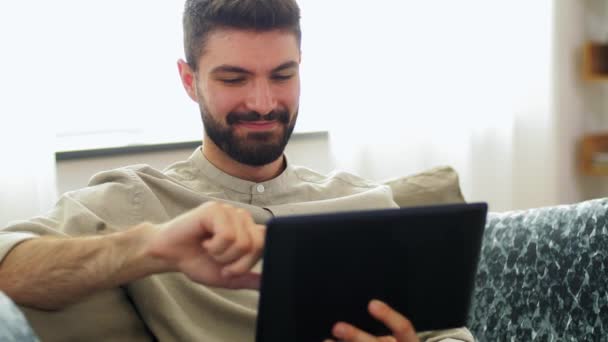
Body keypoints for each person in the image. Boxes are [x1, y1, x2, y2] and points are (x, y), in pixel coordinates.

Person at [0, 0, 474, 341]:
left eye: (282, 75)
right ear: (189, 81)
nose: (263, 103)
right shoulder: (136, 199)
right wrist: (150, 246)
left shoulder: (368, 203)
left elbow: (450, 332)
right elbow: (7, 267)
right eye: (234, 79)